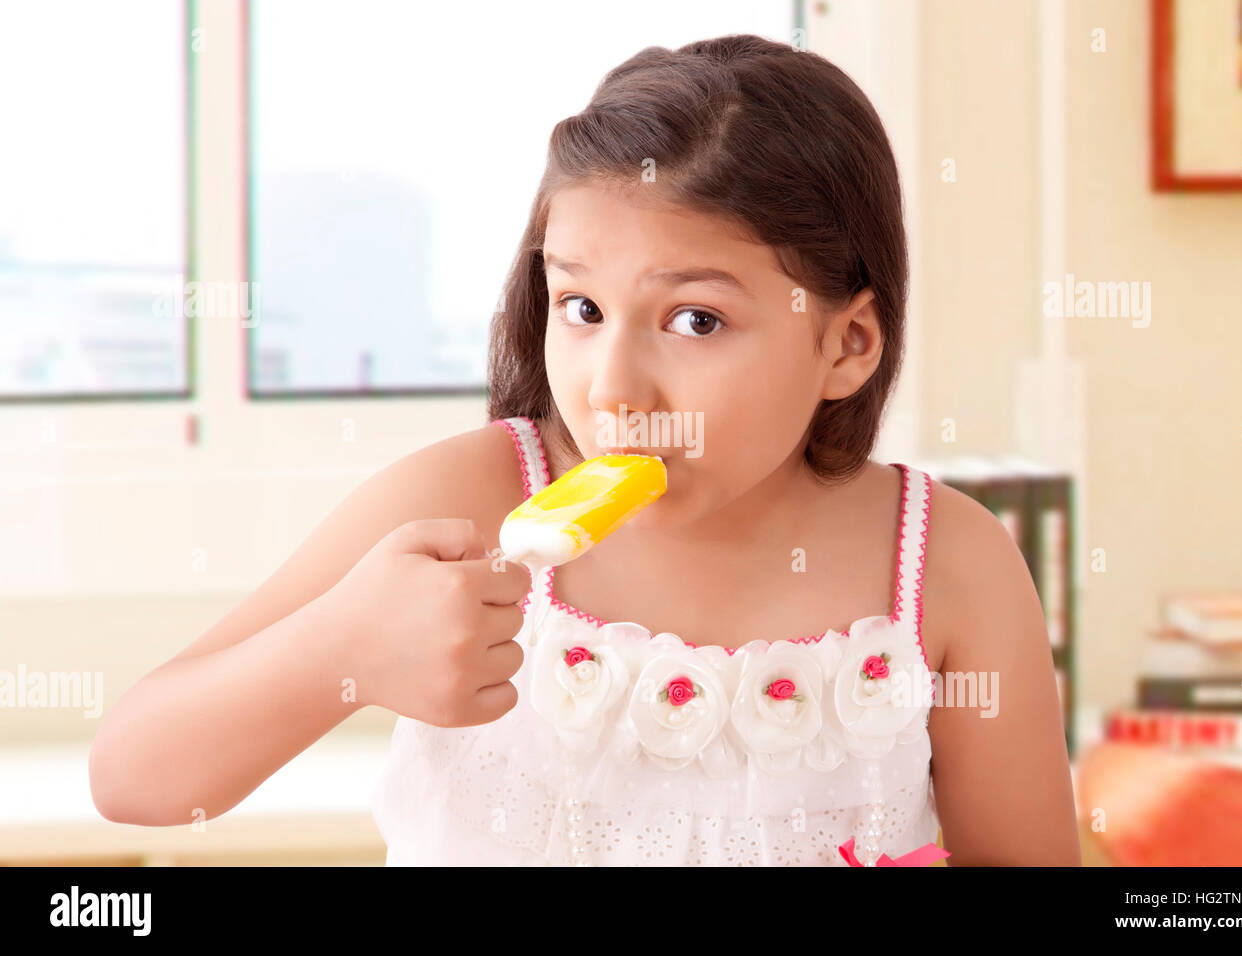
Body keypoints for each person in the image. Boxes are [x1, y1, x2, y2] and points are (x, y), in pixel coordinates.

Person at [89, 33, 1080, 866]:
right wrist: (338, 652)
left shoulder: (946, 563)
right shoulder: (468, 501)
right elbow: (134, 777)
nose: (611, 385)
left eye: (694, 320)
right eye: (582, 307)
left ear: (847, 343)